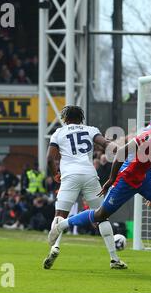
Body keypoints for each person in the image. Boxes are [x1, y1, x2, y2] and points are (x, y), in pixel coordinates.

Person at [48, 106, 151, 272]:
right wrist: (111, 179)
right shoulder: (149, 134)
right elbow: (120, 153)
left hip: (146, 179)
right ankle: (61, 225)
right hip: (127, 179)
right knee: (101, 214)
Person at [44, 105, 126, 270]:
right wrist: (117, 148)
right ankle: (114, 258)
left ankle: (55, 248)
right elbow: (105, 144)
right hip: (89, 175)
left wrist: (55, 174)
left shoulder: (58, 133)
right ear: (81, 118)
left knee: (60, 215)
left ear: (65, 118)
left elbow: (49, 158)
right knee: (102, 215)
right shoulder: (90, 129)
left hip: (69, 177)